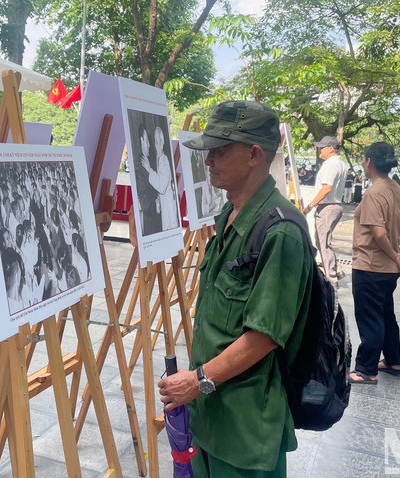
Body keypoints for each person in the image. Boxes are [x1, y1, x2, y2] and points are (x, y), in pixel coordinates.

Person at [158, 101, 314, 477]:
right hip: (209, 411)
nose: (209, 160)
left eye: (220, 151)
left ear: (254, 154)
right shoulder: (229, 215)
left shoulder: (281, 232)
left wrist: (197, 380)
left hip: (245, 425)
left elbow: (264, 336)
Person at [348, 142, 400, 384]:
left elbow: (378, 231)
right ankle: (394, 360)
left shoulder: (374, 193)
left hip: (371, 265)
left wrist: (393, 254)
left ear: (369, 162)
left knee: (370, 318)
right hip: (388, 269)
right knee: (385, 314)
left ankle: (366, 369)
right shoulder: (395, 187)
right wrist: (396, 253)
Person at [303, 135, 348, 287]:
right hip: (333, 206)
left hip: (328, 206)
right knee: (323, 241)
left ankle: (331, 278)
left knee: (324, 243)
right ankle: (335, 271)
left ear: (330, 148)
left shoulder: (331, 165)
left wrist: (310, 205)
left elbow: (326, 188)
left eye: (322, 147)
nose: (319, 150)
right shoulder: (339, 164)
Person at [140, 125, 179, 231]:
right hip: (162, 205)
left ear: (162, 143)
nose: (156, 145)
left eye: (158, 142)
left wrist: (149, 170)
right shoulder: (157, 158)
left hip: (168, 205)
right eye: (155, 142)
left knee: (169, 227)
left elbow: (162, 187)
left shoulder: (164, 161)